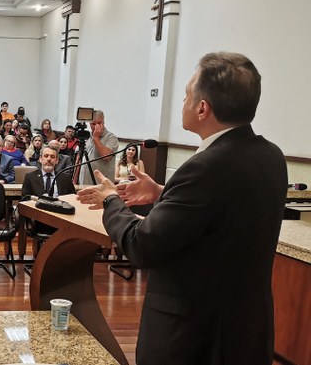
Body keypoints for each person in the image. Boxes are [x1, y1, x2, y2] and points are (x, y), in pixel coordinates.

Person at [76, 52, 286, 365]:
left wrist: (111, 199)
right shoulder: (270, 156)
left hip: (194, 337)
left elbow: (141, 245)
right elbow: (224, 215)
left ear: (203, 108)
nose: (183, 101)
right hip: (246, 330)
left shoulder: (204, 168)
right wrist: (163, 192)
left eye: (187, 94)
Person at [78, 110, 118, 185]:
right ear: (89, 124)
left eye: (99, 123)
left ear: (103, 122)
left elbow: (106, 156)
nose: (96, 126)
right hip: (84, 184)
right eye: (93, 124)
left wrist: (96, 137)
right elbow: (79, 158)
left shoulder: (111, 137)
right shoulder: (86, 137)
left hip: (101, 185)